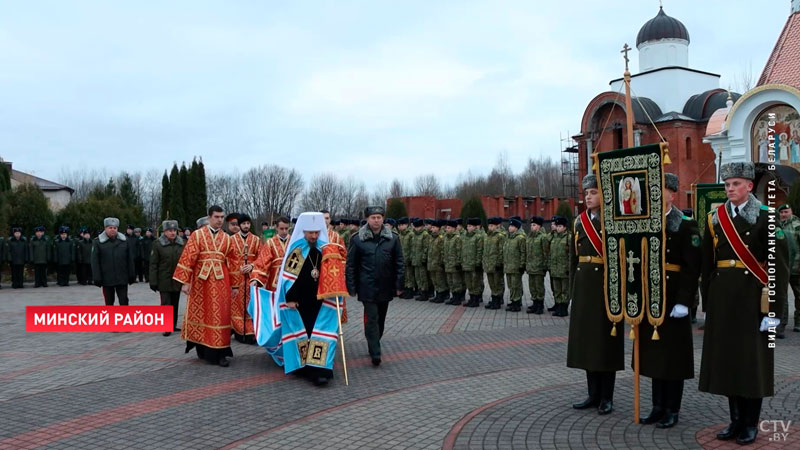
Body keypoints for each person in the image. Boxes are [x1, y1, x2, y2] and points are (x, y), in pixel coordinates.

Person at [699, 162, 788, 445]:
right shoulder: (715, 218)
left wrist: (774, 311)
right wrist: (707, 302)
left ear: (749, 186)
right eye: (727, 184)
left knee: (751, 364)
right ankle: (735, 420)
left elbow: (779, 268)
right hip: (723, 299)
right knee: (728, 363)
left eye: (736, 184)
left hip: (754, 300)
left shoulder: (766, 217)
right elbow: (706, 264)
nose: (730, 189)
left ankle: (750, 423)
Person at [634, 173, 702, 428]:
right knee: (654, 356)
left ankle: (672, 408)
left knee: (673, 357)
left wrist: (685, 301)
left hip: (674, 299)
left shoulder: (685, 225)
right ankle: (657, 406)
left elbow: (692, 266)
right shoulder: (645, 223)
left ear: (672, 194)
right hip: (651, 298)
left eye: (662, 190)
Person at [567, 174, 623, 416]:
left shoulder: (613, 221)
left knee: (604, 344)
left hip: (605, 288)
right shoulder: (579, 222)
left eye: (593, 193)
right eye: (586, 193)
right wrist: (572, 292)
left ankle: (606, 397)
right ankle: (592, 393)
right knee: (587, 343)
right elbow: (573, 260)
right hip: (584, 288)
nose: (588, 197)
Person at [173, 206, 238, 367]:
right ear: (209, 217)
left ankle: (221, 353)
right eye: (216, 217)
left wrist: (235, 285)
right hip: (201, 283)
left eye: (222, 217)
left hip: (222, 283)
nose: (220, 220)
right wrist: (185, 282)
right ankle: (203, 349)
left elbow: (234, 262)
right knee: (202, 314)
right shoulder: (197, 235)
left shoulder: (227, 239)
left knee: (221, 316)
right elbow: (188, 258)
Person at [346, 206, 403, 366]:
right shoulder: (358, 239)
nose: (376, 220)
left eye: (379, 217)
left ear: (383, 219)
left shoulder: (393, 238)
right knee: (372, 318)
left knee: (381, 320)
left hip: (385, 286)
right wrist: (351, 286)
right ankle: (375, 352)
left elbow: (399, 263)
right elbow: (351, 265)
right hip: (367, 287)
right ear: (367, 219)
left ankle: (373, 340)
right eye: (373, 217)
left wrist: (399, 284)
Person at [229, 213, 261, 344]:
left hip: (251, 278)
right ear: (239, 225)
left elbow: (262, 258)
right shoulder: (231, 239)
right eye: (243, 224)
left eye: (248, 223)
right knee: (237, 305)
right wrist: (238, 268)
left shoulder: (256, 240)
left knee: (250, 305)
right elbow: (229, 259)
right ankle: (238, 331)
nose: (246, 226)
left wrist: (252, 266)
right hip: (237, 278)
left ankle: (250, 332)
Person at [150, 220, 185, 336]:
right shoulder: (158, 244)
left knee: (175, 303)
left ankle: (173, 325)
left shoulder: (182, 244)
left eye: (174, 230)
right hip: (163, 279)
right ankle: (166, 326)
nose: (173, 233)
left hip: (177, 279)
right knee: (166, 303)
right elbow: (154, 264)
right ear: (164, 231)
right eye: (170, 231)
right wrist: (153, 281)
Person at [91, 218, 136, 305]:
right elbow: (95, 262)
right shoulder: (98, 242)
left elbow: (130, 259)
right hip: (107, 278)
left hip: (122, 278)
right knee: (109, 303)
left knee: (124, 302)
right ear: (105, 228)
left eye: (115, 228)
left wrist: (131, 274)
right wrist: (97, 277)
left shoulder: (124, 241)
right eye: (110, 228)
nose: (112, 230)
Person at [778, 204, 800, 336]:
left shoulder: (798, 225)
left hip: (797, 267)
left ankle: (798, 322)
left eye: (786, 211)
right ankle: (781, 324)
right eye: (782, 212)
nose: (784, 214)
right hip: (782, 267)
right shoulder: (775, 226)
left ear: (791, 211)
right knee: (782, 296)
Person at [252, 216, 291, 291]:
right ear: (276, 228)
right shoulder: (270, 243)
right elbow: (263, 261)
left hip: (290, 278)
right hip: (274, 280)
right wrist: (256, 278)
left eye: (286, 228)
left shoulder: (293, 242)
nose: (284, 231)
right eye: (282, 229)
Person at [526, 216, 550, 314]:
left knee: (539, 287)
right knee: (532, 287)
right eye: (531, 225)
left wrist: (544, 266)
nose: (532, 227)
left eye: (534, 225)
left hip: (539, 267)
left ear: (539, 226)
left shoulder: (543, 237)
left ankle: (540, 304)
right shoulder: (530, 237)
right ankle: (535, 303)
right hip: (531, 266)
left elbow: (546, 253)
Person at [548, 216, 570, 317]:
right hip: (555, 269)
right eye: (557, 226)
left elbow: (571, 255)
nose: (558, 228)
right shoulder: (554, 238)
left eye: (560, 226)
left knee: (564, 290)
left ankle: (564, 308)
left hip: (564, 269)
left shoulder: (568, 237)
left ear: (565, 227)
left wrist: (569, 268)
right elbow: (550, 254)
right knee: (557, 290)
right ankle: (558, 306)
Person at [503, 217, 526, 312]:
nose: (510, 228)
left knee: (516, 285)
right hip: (508, 266)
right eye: (510, 226)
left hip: (516, 267)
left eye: (512, 226)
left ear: (516, 228)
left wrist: (522, 265)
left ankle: (517, 303)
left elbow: (523, 252)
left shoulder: (520, 238)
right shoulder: (508, 237)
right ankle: (513, 301)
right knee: (511, 286)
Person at [483, 217, 506, 310]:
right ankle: (494, 299)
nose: (490, 227)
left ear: (498, 226)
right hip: (489, 264)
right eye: (489, 225)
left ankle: (498, 300)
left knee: (498, 283)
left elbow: (502, 251)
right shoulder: (488, 236)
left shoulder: (500, 236)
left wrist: (499, 263)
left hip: (496, 264)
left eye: (492, 225)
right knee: (492, 283)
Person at [461, 218, 484, 307]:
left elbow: (479, 251)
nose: (468, 228)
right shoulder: (465, 236)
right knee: (469, 282)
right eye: (467, 226)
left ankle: (476, 300)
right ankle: (471, 298)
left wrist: (478, 263)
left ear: (475, 227)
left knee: (475, 283)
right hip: (466, 264)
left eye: (470, 226)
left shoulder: (478, 237)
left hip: (474, 265)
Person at [427, 220, 448, 303]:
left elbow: (443, 251)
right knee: (434, 280)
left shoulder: (441, 238)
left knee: (440, 280)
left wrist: (442, 262)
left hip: (438, 263)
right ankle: (437, 294)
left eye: (434, 227)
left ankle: (442, 295)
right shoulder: (431, 237)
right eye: (432, 227)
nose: (432, 229)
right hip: (431, 263)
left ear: (438, 228)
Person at [410, 218, 431, 301]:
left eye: (418, 227)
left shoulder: (425, 235)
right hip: (415, 259)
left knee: (423, 277)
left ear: (422, 227)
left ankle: (425, 293)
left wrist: (424, 258)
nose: (416, 228)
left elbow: (426, 248)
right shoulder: (414, 234)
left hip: (421, 260)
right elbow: (412, 247)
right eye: (415, 227)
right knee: (418, 277)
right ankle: (420, 291)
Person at [397, 217, 416, 299]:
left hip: (408, 258)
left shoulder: (411, 234)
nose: (400, 227)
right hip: (401, 259)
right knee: (404, 276)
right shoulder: (400, 235)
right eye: (399, 225)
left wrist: (411, 258)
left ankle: (410, 291)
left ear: (406, 225)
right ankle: (405, 290)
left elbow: (413, 248)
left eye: (402, 225)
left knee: (409, 276)